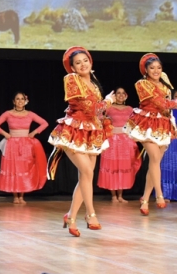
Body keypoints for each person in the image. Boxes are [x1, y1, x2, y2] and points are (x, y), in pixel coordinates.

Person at [48, 46, 115, 237]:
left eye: (85, 60)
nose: (82, 64)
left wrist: (105, 106)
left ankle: (70, 216)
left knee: (86, 176)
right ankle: (90, 214)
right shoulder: (71, 79)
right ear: (72, 67)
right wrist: (108, 101)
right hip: (73, 131)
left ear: (90, 61)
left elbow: (97, 112)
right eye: (77, 63)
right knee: (86, 171)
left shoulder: (93, 82)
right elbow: (89, 108)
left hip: (92, 132)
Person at [124, 53, 177, 216]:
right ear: (145, 70)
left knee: (155, 163)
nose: (156, 70)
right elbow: (162, 103)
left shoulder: (164, 81)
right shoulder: (142, 84)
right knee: (154, 160)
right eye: (152, 68)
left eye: (159, 68)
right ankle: (160, 195)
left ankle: (145, 199)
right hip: (146, 123)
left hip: (162, 124)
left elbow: (167, 106)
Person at [0, 92, 49, 204]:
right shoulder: (8, 114)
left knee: (24, 169)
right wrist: (4, 134)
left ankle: (22, 197)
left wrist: (34, 132)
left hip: (26, 145)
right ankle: (15, 197)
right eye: (17, 99)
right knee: (13, 168)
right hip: (12, 144)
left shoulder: (30, 114)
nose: (20, 101)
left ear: (25, 101)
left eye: (22, 99)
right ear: (14, 101)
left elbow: (44, 123)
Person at [97, 87, 142, 203]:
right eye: (118, 93)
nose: (121, 95)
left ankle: (120, 196)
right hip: (112, 140)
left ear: (126, 95)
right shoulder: (109, 108)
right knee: (112, 166)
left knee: (123, 166)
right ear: (114, 95)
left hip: (126, 141)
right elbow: (98, 117)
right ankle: (113, 196)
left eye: (123, 93)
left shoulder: (130, 109)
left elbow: (135, 123)